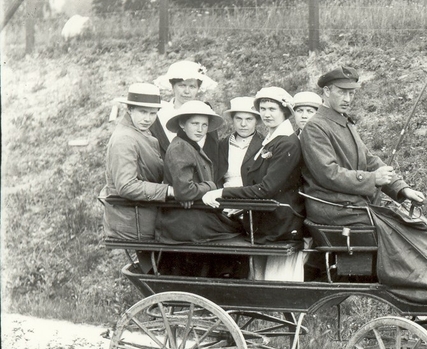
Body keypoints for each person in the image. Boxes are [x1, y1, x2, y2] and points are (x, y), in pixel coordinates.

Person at [299, 65, 426, 228]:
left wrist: (402, 189)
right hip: (333, 210)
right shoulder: (315, 127)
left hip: (351, 206)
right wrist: (373, 179)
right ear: (327, 91)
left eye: (351, 93)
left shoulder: (343, 122)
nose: (347, 99)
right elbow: (328, 174)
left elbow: (369, 160)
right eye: (341, 92)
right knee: (400, 232)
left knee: (416, 227)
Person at [204, 88, 306, 280]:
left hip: (279, 222)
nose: (267, 114)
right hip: (266, 218)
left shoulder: (287, 143)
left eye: (272, 109)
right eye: (263, 109)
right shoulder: (272, 140)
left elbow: (266, 189)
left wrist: (223, 193)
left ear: (284, 112)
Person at [157, 100, 248, 277]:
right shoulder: (181, 148)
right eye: (195, 124)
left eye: (204, 125)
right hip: (183, 220)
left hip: (192, 214)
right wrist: (211, 186)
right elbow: (185, 192)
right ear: (182, 124)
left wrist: (194, 193)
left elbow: (187, 190)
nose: (200, 129)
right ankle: (225, 280)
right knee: (238, 233)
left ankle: (220, 278)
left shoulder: (190, 145)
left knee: (236, 228)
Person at [101, 83, 176, 271]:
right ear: (130, 109)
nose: (147, 118)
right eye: (143, 112)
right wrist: (168, 190)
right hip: (135, 217)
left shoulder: (139, 133)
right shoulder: (125, 139)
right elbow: (126, 186)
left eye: (152, 113)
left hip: (145, 211)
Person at [149, 60, 219, 157]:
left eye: (192, 86)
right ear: (173, 86)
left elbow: (213, 151)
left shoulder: (206, 112)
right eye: (182, 85)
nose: (187, 91)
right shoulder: (160, 114)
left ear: (198, 88)